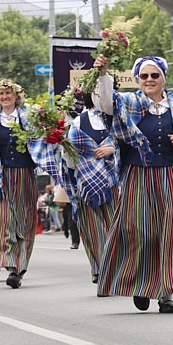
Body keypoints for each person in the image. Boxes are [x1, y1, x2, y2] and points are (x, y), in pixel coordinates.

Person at [93, 55, 173, 313]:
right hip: (138, 177)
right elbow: (105, 104)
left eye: (154, 75)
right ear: (137, 79)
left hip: (172, 178)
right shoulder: (128, 103)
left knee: (170, 235)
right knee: (140, 233)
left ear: (163, 79)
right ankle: (141, 283)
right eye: (144, 76)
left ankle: (166, 294)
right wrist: (103, 75)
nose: (149, 80)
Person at [0, 79, 61, 289]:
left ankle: (19, 268)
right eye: (1, 95)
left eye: (8, 94)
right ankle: (10, 262)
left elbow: (46, 141)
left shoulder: (29, 118)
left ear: (16, 95)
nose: (5, 97)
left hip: (24, 175)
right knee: (3, 220)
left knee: (24, 220)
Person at [67, 91, 119, 283]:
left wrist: (112, 149)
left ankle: (113, 266)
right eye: (98, 93)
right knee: (92, 228)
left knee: (116, 225)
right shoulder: (79, 121)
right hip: (87, 180)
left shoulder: (118, 117)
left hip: (114, 179)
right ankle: (98, 268)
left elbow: (130, 142)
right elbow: (71, 157)